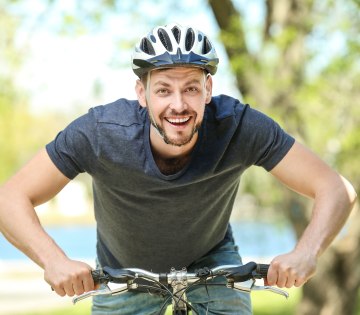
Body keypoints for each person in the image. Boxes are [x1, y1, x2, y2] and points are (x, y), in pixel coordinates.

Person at [0, 23, 357, 315]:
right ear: (142, 93)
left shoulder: (240, 126)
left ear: (208, 90)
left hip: (215, 266)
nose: (178, 104)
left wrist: (305, 252)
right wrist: (54, 261)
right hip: (123, 273)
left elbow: (336, 189)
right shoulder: (99, 134)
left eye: (190, 88)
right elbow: (11, 197)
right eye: (164, 90)